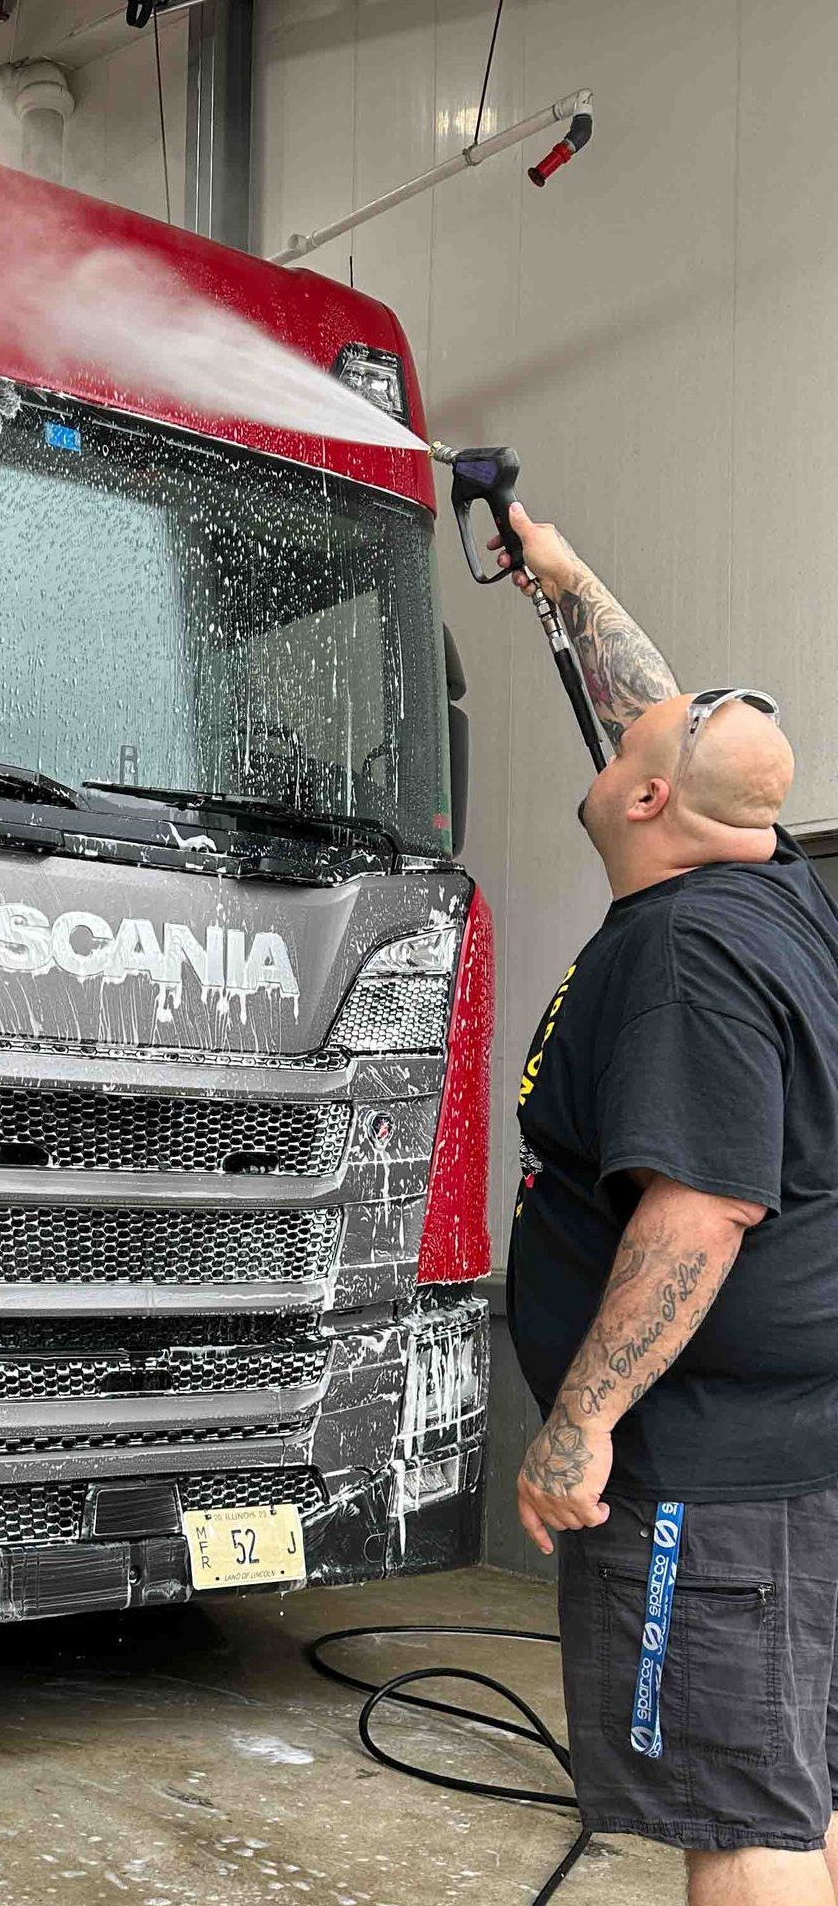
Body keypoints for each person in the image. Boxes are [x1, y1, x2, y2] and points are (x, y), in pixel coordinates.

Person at [496, 502, 838, 1904]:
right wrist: (561, 575)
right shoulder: (776, 885)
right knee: (795, 1780)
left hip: (710, 1468)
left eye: (636, 744)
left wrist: (577, 1428)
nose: (624, 727)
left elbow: (698, 1215)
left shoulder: (687, 955)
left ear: (644, 802)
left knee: (738, 1811)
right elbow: (656, 715)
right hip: (794, 1451)